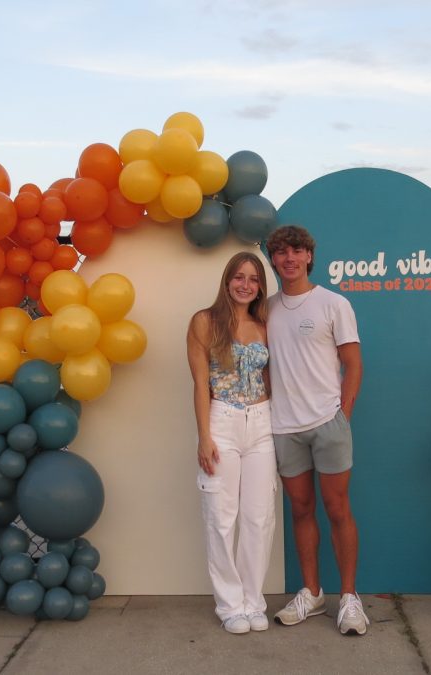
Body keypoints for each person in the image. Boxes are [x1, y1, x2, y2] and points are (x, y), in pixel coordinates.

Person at [265, 225, 367, 636]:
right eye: (281, 252)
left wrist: (341, 414)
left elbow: (354, 364)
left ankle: (348, 599)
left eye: (297, 251)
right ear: (272, 260)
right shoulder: (265, 308)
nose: (289, 258)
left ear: (309, 256)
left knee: (338, 510)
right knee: (301, 511)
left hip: (328, 424)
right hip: (283, 428)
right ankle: (312, 592)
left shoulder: (332, 304)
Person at [186, 251, 277, 635]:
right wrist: (204, 436)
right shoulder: (204, 322)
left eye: (254, 279)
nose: (246, 285)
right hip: (222, 420)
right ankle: (229, 605)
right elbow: (200, 384)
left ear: (260, 287)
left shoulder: (264, 324)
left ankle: (254, 600)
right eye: (239, 277)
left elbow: (271, 380)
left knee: (259, 517)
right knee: (221, 518)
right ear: (227, 281)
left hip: (262, 423)